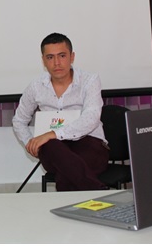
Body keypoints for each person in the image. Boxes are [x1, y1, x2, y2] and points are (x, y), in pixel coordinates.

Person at [12, 32, 108, 191]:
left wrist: (52, 134)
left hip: (90, 144)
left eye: (62, 56)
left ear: (72, 57)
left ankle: (71, 206)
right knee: (52, 148)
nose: (57, 62)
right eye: (50, 57)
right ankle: (98, 191)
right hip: (53, 149)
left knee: (66, 171)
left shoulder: (90, 80)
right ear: (43, 60)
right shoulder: (36, 87)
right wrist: (31, 142)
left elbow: (91, 118)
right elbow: (19, 120)